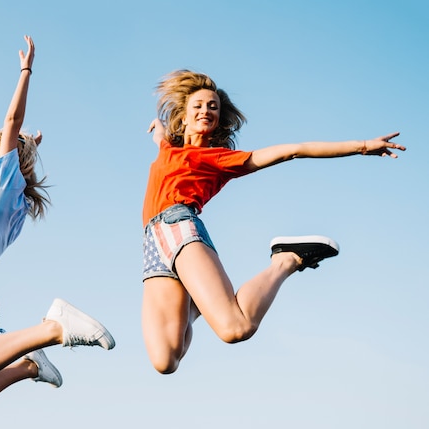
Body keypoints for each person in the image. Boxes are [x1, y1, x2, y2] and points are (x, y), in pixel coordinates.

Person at [142, 69, 405, 375]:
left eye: (213, 107)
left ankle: (285, 260)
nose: (206, 110)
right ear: (184, 117)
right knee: (166, 361)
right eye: (198, 105)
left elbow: (292, 151)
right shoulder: (168, 148)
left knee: (235, 328)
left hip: (178, 227)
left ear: (218, 120)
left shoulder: (220, 160)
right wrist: (160, 130)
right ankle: (198, 295)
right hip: (152, 242)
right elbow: (162, 138)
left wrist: (361, 145)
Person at [0, 36, 115, 418]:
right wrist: (31, 145)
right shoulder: (12, 201)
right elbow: (16, 141)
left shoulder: (2, 185)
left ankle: (51, 327)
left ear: (0, 159)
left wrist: (25, 71)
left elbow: (11, 123)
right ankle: (29, 365)